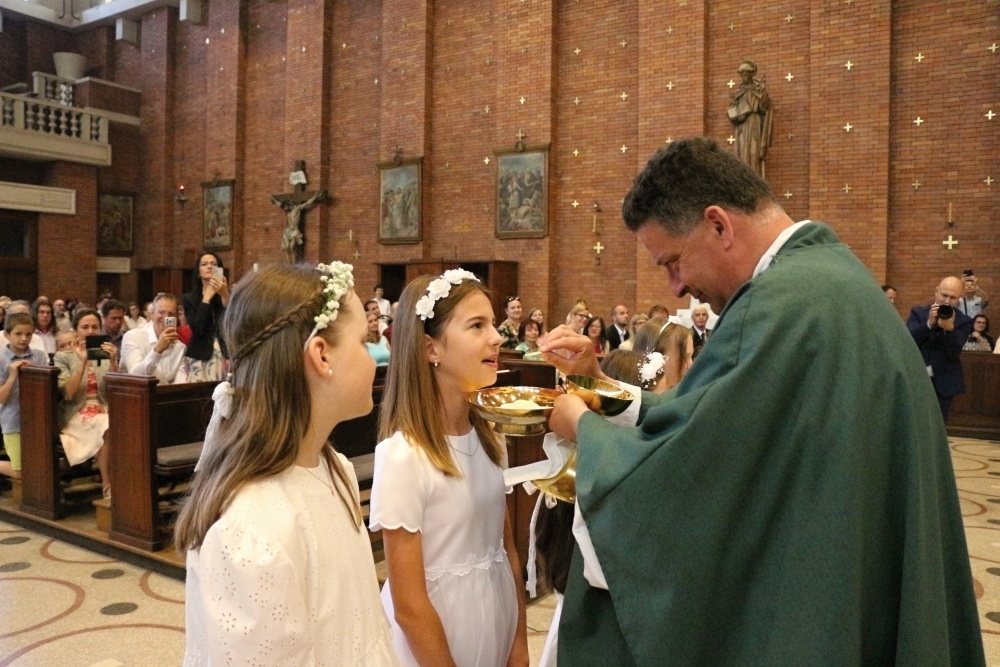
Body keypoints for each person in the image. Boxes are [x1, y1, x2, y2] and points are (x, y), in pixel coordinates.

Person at [539, 138, 983, 665]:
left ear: (718, 225)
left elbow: (693, 469)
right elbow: (722, 416)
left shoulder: (776, 307)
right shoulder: (827, 279)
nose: (676, 287)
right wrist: (603, 389)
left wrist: (582, 430)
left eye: (673, 262)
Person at [176, 262, 397, 666]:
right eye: (364, 343)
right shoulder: (252, 530)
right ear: (321, 355)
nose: (373, 360)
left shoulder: (335, 468)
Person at [369, 269, 529, 666]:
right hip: (435, 641)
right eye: (477, 325)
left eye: (493, 323)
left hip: (494, 620)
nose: (496, 337)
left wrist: (519, 646)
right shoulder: (404, 456)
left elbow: (506, 551)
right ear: (431, 349)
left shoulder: (490, 438)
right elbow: (409, 605)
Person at [55, 308, 119, 499]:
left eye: (95, 327)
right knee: (106, 424)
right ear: (76, 330)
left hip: (104, 407)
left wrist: (113, 361)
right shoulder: (63, 356)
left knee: (121, 423)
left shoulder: (104, 354)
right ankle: (108, 484)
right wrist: (82, 362)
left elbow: (114, 390)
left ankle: (129, 480)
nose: (90, 331)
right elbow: (68, 393)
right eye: (85, 327)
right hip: (77, 412)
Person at [907, 276, 974, 420]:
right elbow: (909, 340)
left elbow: (954, 351)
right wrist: (929, 324)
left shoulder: (964, 321)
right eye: (944, 295)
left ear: (960, 298)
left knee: (938, 424)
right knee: (913, 421)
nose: (947, 301)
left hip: (943, 383)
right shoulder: (918, 313)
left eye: (953, 297)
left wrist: (949, 330)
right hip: (916, 379)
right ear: (936, 291)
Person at [0, 313, 49, 480]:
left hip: (36, 419)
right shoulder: (1, 359)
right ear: (7, 335)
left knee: (39, 466)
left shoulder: (38, 356)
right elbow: (1, 398)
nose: (24, 338)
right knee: (20, 471)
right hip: (12, 420)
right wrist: (13, 375)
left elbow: (46, 388)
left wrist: (35, 372)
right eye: (18, 334)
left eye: (28, 334)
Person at [120, 293, 188, 384]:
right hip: (133, 391)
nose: (166, 317)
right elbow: (135, 376)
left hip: (167, 392)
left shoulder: (180, 347)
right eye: (161, 312)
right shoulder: (133, 337)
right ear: (152, 314)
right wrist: (158, 350)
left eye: (171, 314)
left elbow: (181, 383)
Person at [182, 253, 229, 382]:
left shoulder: (228, 295)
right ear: (198, 272)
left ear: (220, 270)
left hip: (225, 353)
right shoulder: (189, 298)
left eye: (214, 264)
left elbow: (231, 323)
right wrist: (206, 298)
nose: (209, 266)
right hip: (200, 354)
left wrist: (225, 295)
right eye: (204, 264)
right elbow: (198, 328)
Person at [727, 59, 773, 177]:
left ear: (752, 74)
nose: (743, 77)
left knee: (754, 153)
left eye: (745, 74)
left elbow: (764, 109)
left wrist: (763, 99)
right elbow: (732, 110)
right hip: (742, 127)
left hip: (754, 123)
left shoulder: (759, 90)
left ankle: (755, 180)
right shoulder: (738, 92)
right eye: (741, 75)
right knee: (742, 153)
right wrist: (737, 115)